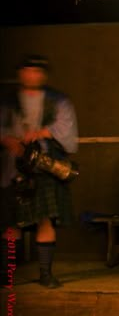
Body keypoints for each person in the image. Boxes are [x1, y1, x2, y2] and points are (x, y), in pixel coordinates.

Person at [0, 54, 78, 288]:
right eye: (27, 70)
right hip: (12, 167)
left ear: (43, 75)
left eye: (37, 71)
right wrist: (7, 139)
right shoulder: (6, 101)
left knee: (45, 221)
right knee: (10, 223)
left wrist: (42, 132)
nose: (32, 75)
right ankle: (8, 274)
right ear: (20, 73)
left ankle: (45, 274)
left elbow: (67, 129)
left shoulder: (58, 101)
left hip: (43, 166)